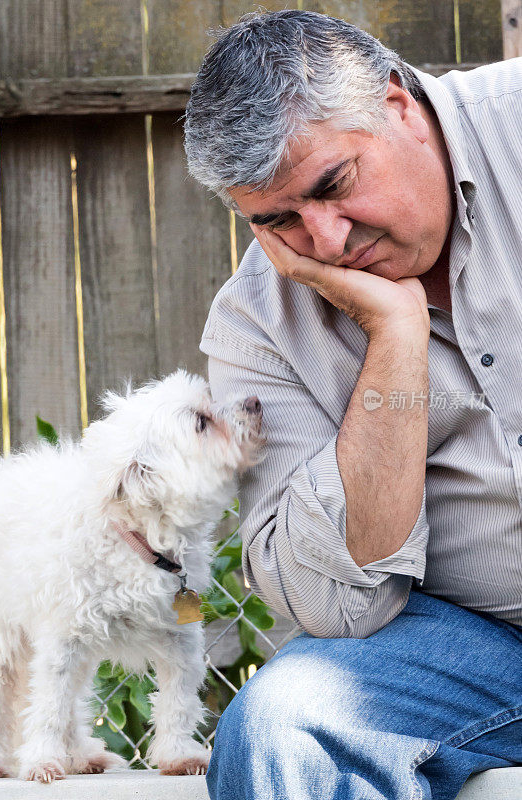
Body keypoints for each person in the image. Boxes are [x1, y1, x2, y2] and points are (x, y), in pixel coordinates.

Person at [184, 10, 522, 800]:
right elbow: (342, 605)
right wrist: (393, 334)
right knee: (287, 720)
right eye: (278, 221)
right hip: (486, 649)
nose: (328, 242)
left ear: (398, 105)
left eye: (333, 186)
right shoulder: (257, 328)